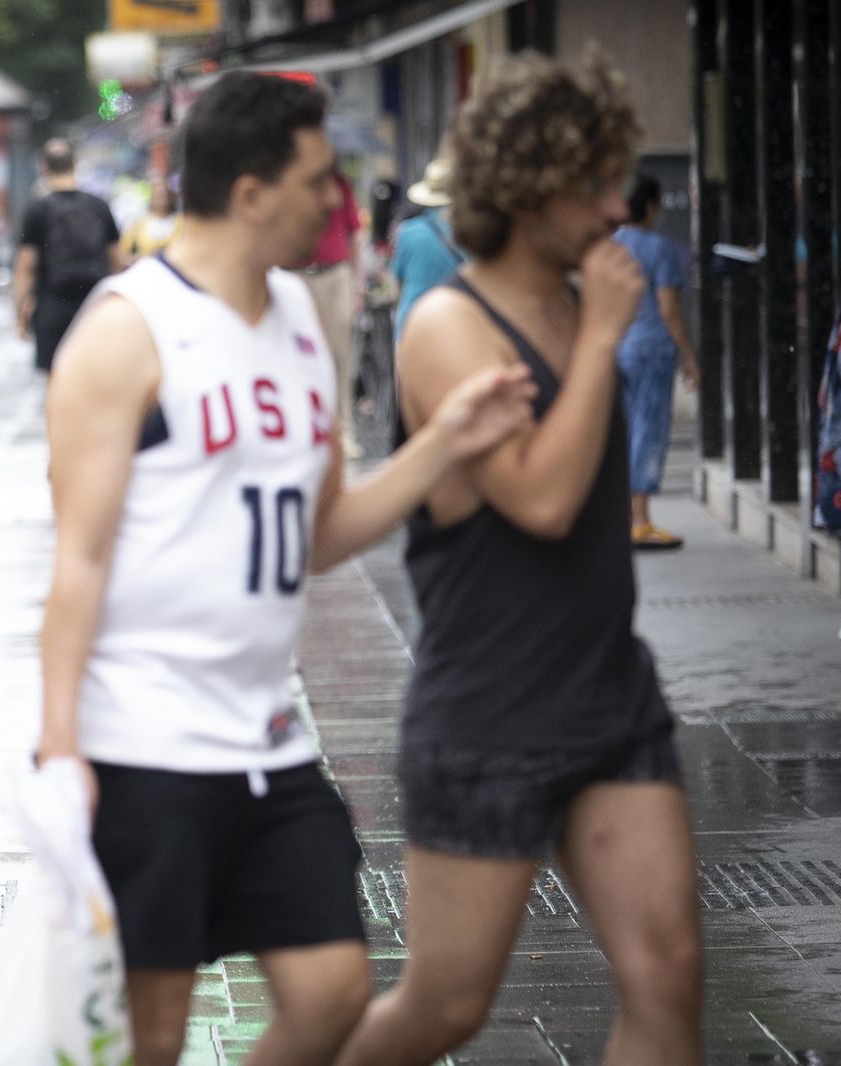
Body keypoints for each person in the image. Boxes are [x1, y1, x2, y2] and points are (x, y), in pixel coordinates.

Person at [37, 72, 534, 1066]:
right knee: (156, 1032)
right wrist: (61, 748)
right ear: (252, 191)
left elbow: (317, 532)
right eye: (319, 179)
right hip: (145, 740)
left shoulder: (302, 321)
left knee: (332, 992)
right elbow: (77, 558)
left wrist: (442, 442)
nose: (337, 201)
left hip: (266, 736)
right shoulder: (127, 327)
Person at [334, 54, 702, 1066]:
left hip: (609, 695)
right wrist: (598, 339)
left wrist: (596, 325)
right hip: (489, 717)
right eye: (591, 184)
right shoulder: (447, 321)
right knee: (445, 1006)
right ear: (528, 190)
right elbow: (539, 498)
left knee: (667, 975)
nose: (614, 205)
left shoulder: (587, 293)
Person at [614, 172, 700, 549]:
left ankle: (625, 518)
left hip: (619, 347)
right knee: (650, 432)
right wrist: (689, 357)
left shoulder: (611, 245)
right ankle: (640, 520)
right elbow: (668, 308)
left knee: (627, 430)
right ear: (651, 206)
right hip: (652, 349)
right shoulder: (658, 248)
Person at [12, 139, 122, 373]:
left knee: (56, 375)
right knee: (96, 374)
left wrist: (21, 314)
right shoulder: (99, 206)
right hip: (94, 305)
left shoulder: (37, 210)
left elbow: (25, 266)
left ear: (44, 168)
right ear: (75, 163)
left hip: (52, 305)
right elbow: (117, 261)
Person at [291, 166, 363, 456]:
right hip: (296, 275)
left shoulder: (340, 186)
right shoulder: (293, 185)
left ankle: (343, 432)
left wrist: (357, 284)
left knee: (339, 355)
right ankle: (303, 430)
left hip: (335, 275)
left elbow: (355, 235)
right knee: (298, 355)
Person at [389, 158, 466, 340]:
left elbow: (396, 287)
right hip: (456, 323)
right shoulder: (466, 233)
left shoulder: (406, 231)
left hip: (412, 323)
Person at [118, 178, 182, 263]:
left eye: (164, 195)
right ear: (151, 197)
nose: (162, 200)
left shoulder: (182, 222)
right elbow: (122, 253)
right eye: (158, 196)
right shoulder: (138, 224)